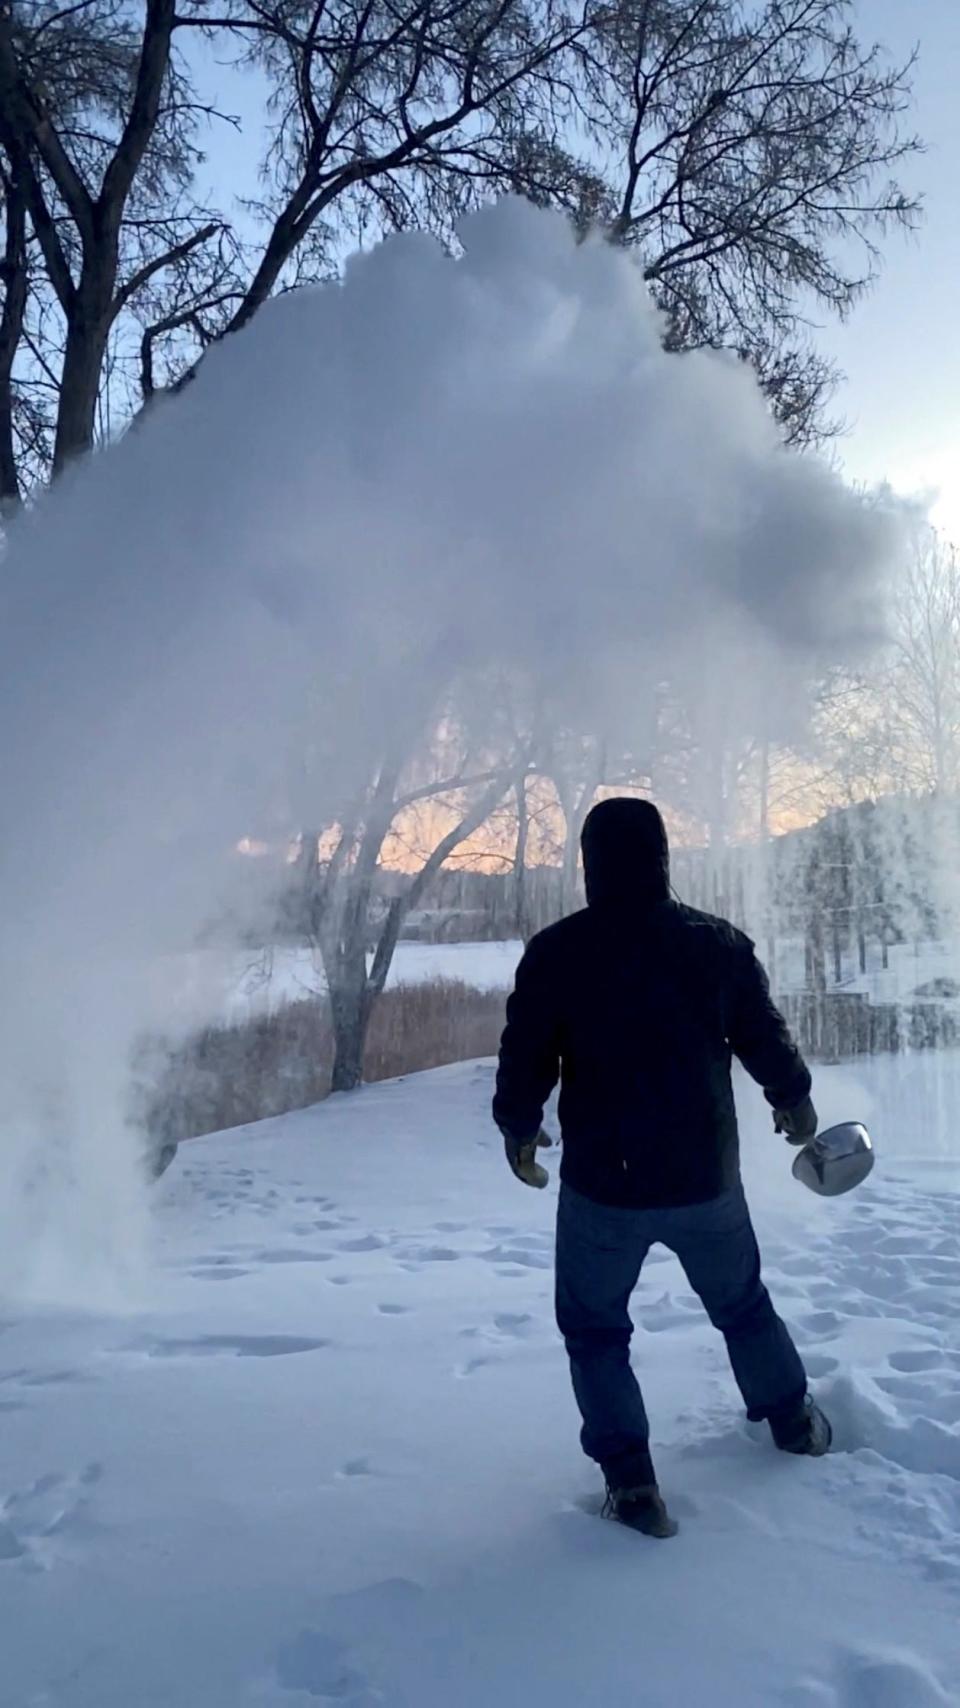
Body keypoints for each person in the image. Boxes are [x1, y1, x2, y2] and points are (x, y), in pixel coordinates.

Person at [493, 797, 831, 1539]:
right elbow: (762, 1037)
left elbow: (526, 1059)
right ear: (663, 858)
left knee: (593, 1330)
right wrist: (795, 1100)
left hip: (602, 1191)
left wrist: (519, 1131)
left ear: (589, 864)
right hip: (705, 1179)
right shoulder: (716, 946)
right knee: (742, 1305)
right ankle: (794, 1422)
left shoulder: (557, 952)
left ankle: (633, 1485)